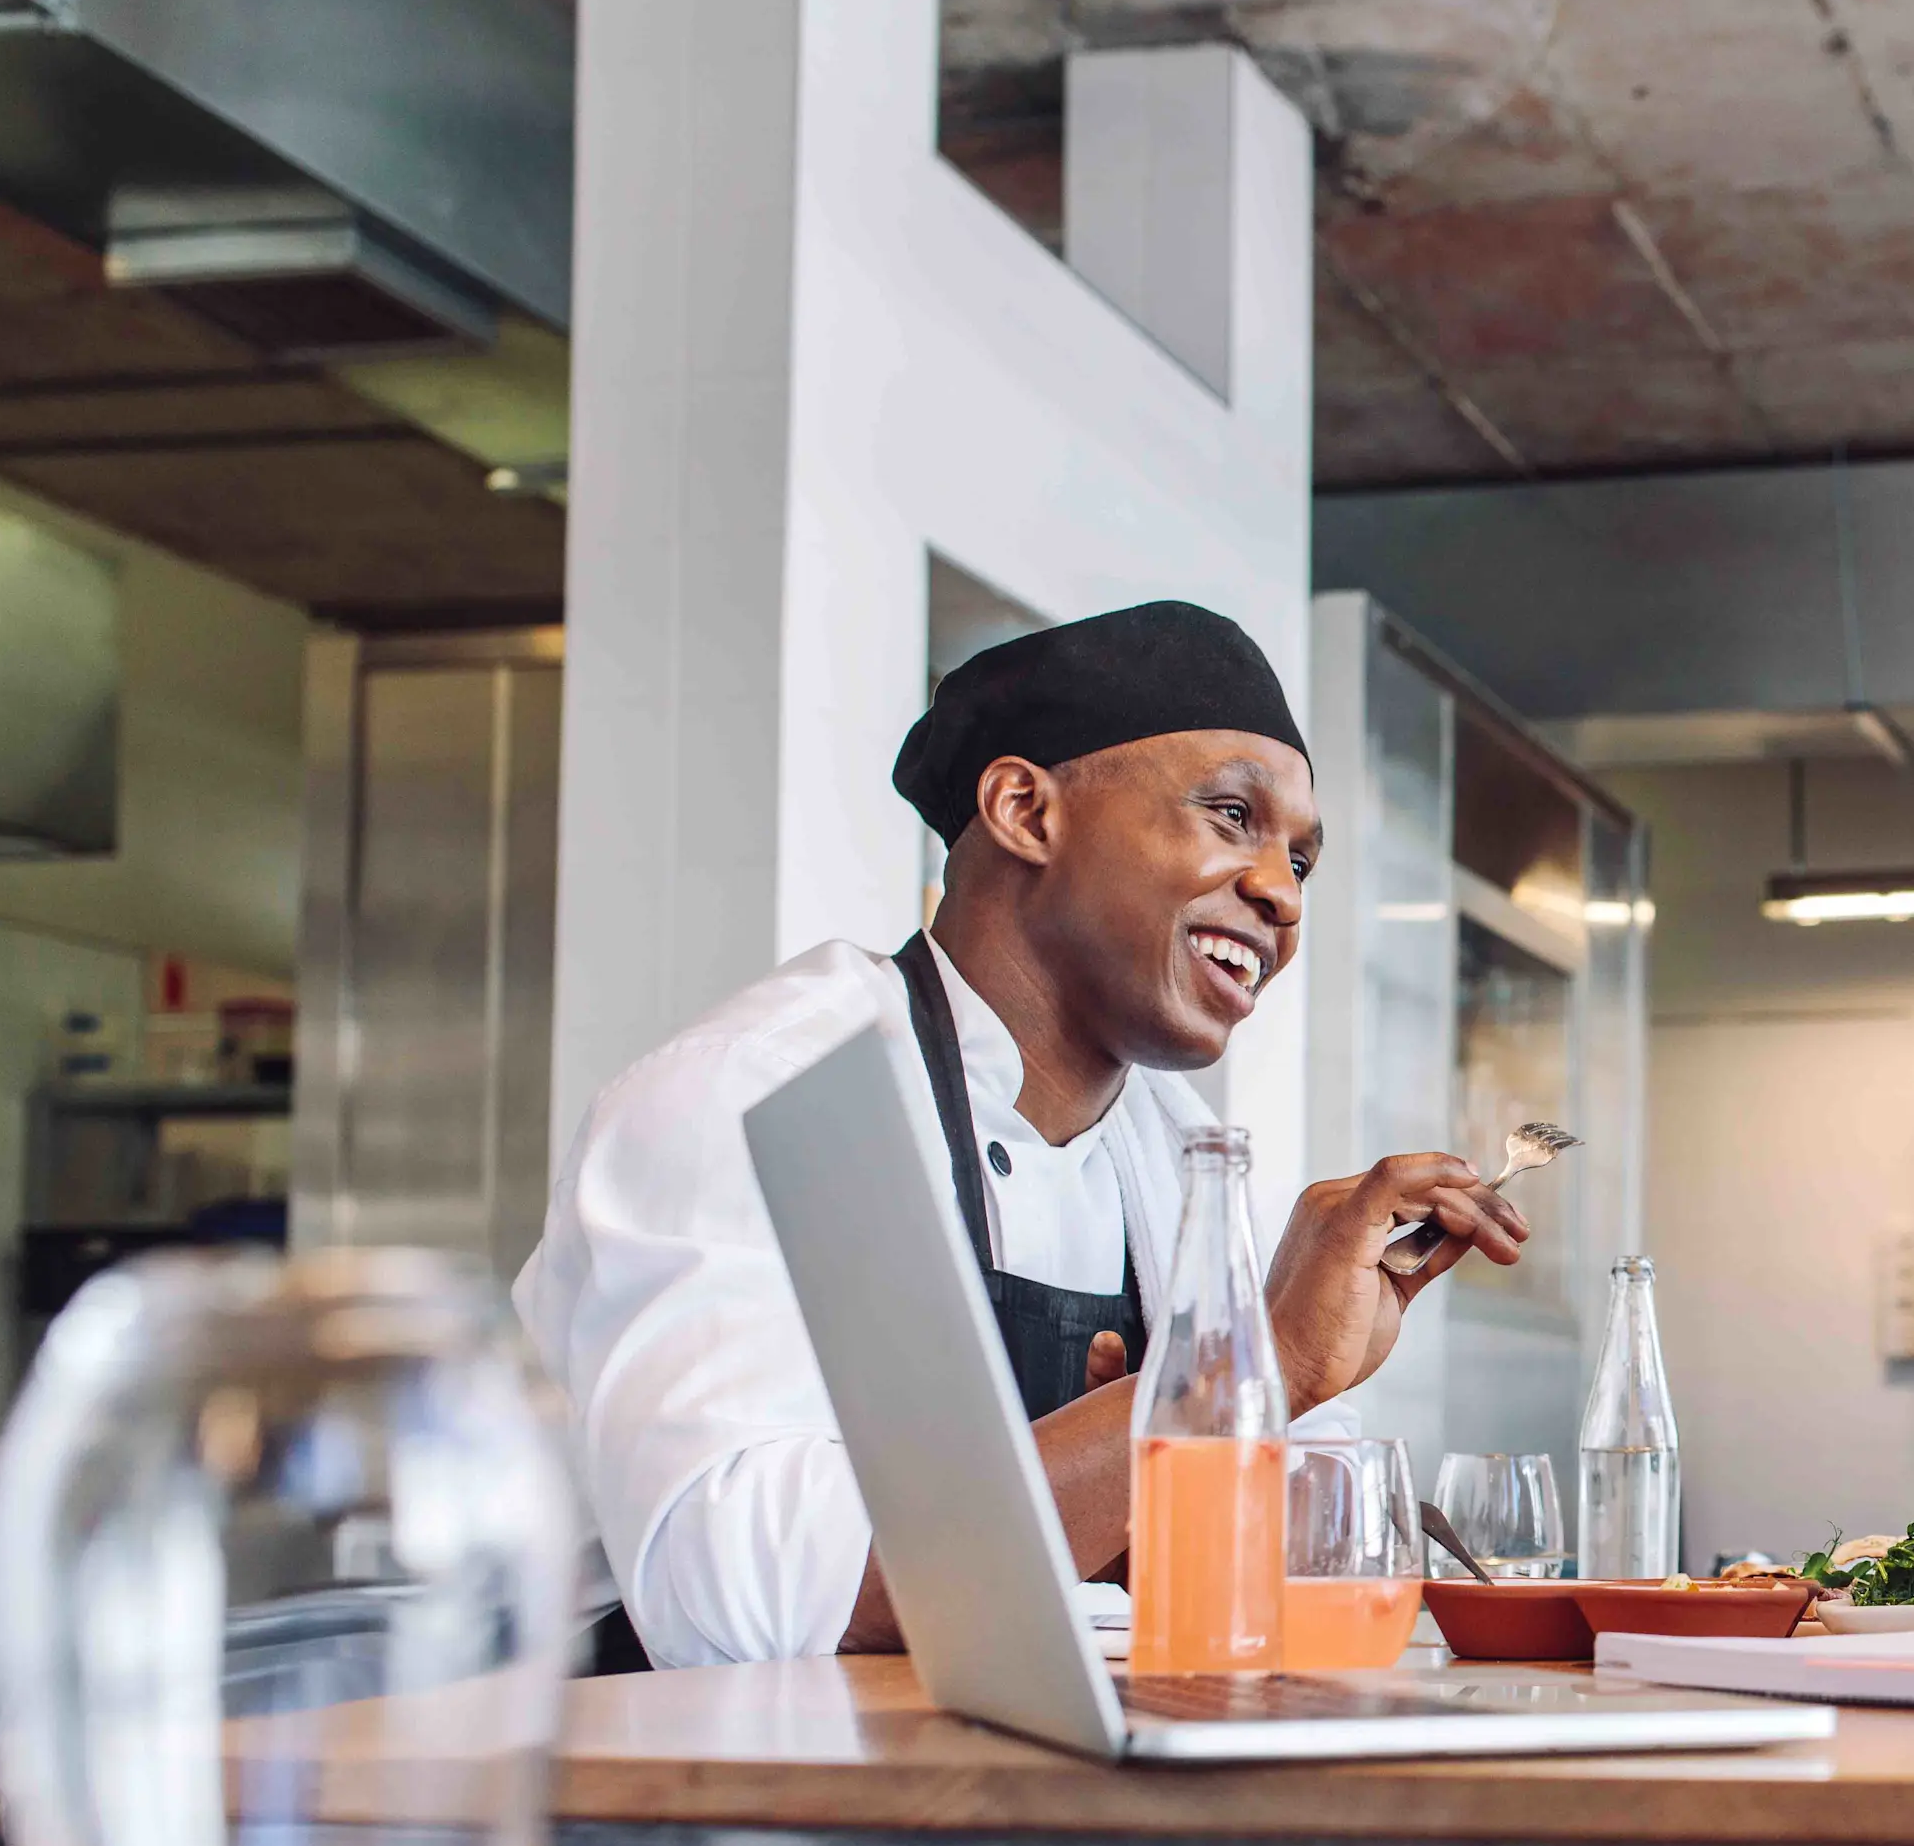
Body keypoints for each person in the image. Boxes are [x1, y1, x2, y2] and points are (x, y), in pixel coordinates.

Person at [515, 601, 1528, 1669]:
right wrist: (1251, 1365)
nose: (1280, 893)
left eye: (1302, 862)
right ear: (1024, 809)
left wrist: (1289, 1389)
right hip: (666, 1795)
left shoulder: (1180, 1157)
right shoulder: (761, 1097)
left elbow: (1288, 1584)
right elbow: (740, 1603)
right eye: (1232, 814)